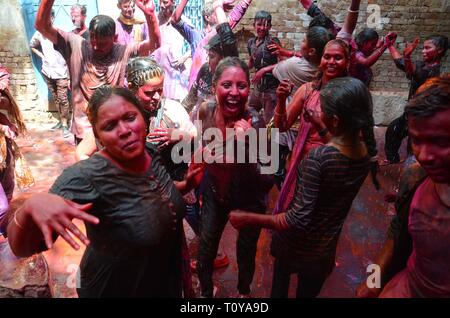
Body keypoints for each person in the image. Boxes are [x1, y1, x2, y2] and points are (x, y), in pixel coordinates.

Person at [6, 85, 193, 297]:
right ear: (98, 136)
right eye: (110, 126)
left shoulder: (150, 152)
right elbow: (21, 249)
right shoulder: (85, 177)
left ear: (144, 119)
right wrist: (29, 209)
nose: (124, 130)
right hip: (111, 288)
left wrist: (188, 184)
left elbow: (158, 192)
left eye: (130, 117)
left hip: (159, 282)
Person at [230, 77, 376, 298]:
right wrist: (320, 125)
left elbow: (297, 218)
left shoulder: (317, 159)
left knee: (279, 286)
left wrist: (248, 218)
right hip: (324, 248)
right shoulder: (363, 153)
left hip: (297, 246)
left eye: (323, 110)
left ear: (335, 120)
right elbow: (338, 150)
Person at [356, 76, 450, 298]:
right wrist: (373, 279)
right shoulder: (416, 176)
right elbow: (396, 234)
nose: (425, 156)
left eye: (442, 143)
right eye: (417, 141)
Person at [273, 38, 379, 217]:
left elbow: (354, 147)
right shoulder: (307, 90)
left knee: (319, 220)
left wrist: (320, 125)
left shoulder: (351, 95)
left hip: (332, 170)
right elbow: (282, 126)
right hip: (301, 166)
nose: (331, 62)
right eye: (326, 57)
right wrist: (282, 100)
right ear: (320, 60)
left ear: (347, 62)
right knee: (294, 216)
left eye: (337, 58)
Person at [195, 57, 273, 298]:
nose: (234, 92)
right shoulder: (206, 110)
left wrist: (247, 144)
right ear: (213, 86)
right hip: (214, 193)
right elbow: (200, 148)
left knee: (246, 253)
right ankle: (206, 293)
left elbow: (268, 178)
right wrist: (199, 155)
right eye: (226, 85)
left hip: (248, 199)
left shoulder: (255, 122)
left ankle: (243, 293)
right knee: (205, 251)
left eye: (241, 86)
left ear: (249, 89)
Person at [35, 0, 161, 145]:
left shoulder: (122, 51)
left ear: (114, 39)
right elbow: (42, 26)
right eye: (93, 39)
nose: (95, 46)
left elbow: (154, 45)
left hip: (114, 128)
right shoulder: (76, 45)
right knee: (87, 163)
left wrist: (150, 14)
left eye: (102, 43)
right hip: (85, 129)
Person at [270, 26, 333, 189]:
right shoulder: (310, 87)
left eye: (304, 40)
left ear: (312, 51)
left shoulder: (297, 71)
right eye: (328, 57)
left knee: (283, 154)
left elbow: (277, 70)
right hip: (298, 129)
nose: (331, 63)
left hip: (296, 128)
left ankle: (279, 176)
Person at [384, 35, 448, 164]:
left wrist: (407, 57)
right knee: (394, 131)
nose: (423, 51)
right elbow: (401, 63)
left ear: (440, 50)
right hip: (412, 112)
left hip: (425, 114)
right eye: (423, 48)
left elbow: (416, 73)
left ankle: (414, 170)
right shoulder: (422, 65)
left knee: (414, 145)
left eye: (427, 48)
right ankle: (393, 160)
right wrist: (389, 45)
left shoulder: (436, 71)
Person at [172, 0, 253, 89]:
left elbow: (236, 14)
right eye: (216, 14)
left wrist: (219, 8)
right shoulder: (196, 36)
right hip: (196, 90)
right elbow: (175, 20)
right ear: (207, 17)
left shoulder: (219, 35)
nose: (221, 16)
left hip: (217, 89)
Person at [181, 1, 238, 118]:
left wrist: (217, 6)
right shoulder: (205, 70)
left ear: (223, 58)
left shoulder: (229, 78)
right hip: (198, 127)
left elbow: (227, 37)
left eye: (211, 56)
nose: (207, 59)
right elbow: (191, 98)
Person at [30, 9, 71, 136]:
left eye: (48, 18)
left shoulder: (60, 33)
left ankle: (65, 124)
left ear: (52, 18)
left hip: (62, 71)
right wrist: (41, 56)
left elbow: (69, 53)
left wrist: (70, 74)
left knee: (63, 99)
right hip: (48, 71)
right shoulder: (39, 33)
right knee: (56, 98)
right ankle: (61, 120)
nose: (46, 21)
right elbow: (32, 45)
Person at [0, 64, 28, 237]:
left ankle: (3, 227)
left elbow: (8, 110)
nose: (6, 83)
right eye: (4, 79)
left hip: (4, 148)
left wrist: (7, 125)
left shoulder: (4, 95)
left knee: (9, 185)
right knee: (2, 207)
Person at [143, 0, 190, 102]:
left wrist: (184, 57)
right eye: (160, 2)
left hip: (175, 73)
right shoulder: (153, 21)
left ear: (173, 2)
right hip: (157, 72)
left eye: (165, 2)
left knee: (176, 105)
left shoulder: (182, 21)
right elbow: (145, 45)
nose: (162, 6)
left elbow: (198, 43)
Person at [247, 10, 281, 124]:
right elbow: (251, 62)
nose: (262, 28)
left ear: (270, 27)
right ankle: (254, 138)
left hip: (271, 89)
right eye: (259, 24)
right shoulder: (251, 42)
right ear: (254, 25)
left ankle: (268, 141)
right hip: (258, 88)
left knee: (270, 122)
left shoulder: (272, 42)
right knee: (249, 110)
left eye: (265, 25)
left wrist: (263, 70)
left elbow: (282, 64)